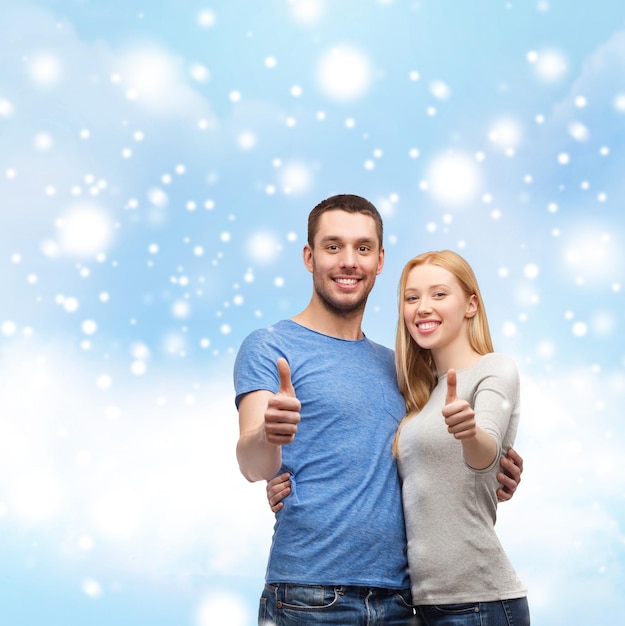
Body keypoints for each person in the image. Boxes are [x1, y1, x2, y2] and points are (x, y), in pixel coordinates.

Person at [235, 194, 523, 626]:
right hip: (308, 596)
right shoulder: (270, 346)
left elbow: (438, 451)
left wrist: (497, 463)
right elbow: (253, 463)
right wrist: (268, 436)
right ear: (309, 257)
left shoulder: (405, 369)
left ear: (380, 260)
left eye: (362, 248)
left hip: (401, 603)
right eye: (333, 247)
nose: (348, 260)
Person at [393, 250, 530, 625]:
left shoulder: (495, 369)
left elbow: (485, 453)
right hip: (423, 604)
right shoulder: (419, 397)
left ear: (471, 305)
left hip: (480, 602)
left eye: (439, 294)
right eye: (412, 297)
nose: (422, 307)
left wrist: (468, 432)